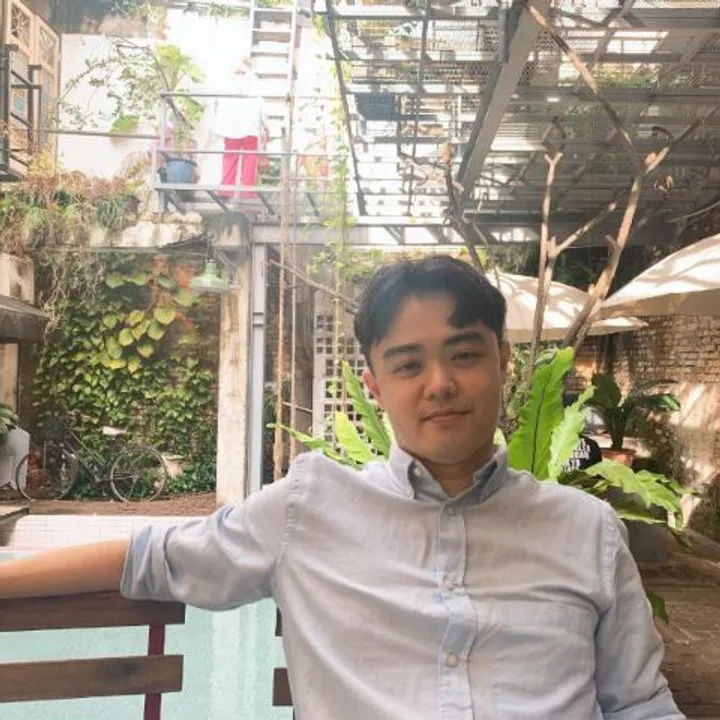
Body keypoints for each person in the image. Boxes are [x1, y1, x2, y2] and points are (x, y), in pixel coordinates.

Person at [0, 256, 683, 719]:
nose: (440, 384)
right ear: (374, 385)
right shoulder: (309, 511)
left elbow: (638, 704)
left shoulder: (585, 529)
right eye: (408, 364)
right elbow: (151, 557)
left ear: (503, 362)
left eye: (465, 354)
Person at [213, 57, 267, 200]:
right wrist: (266, 125)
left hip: (232, 125)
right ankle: (247, 192)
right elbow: (262, 105)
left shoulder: (227, 82)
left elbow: (218, 103)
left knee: (231, 157)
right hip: (249, 125)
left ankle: (227, 190)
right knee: (249, 158)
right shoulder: (254, 82)